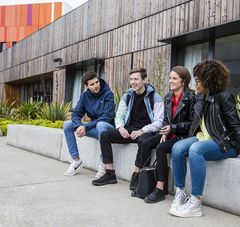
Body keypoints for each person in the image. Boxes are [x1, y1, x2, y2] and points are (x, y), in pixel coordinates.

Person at [169, 59, 240, 218]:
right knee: (178, 148)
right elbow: (195, 124)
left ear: (209, 80)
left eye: (199, 80)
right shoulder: (200, 96)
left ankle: (196, 201)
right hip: (204, 138)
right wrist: (186, 140)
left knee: (196, 150)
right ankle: (180, 193)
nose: (196, 83)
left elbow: (235, 125)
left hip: (224, 143)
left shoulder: (224, 97)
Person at [130, 66, 195, 202]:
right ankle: (142, 181)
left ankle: (160, 188)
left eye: (174, 78)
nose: (170, 81)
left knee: (160, 148)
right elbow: (166, 119)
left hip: (183, 136)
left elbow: (192, 124)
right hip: (170, 133)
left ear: (183, 81)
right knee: (146, 142)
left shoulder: (191, 97)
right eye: (170, 78)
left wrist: (172, 128)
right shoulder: (168, 97)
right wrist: (165, 131)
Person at [92, 67, 164, 186]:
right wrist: (120, 128)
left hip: (146, 131)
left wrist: (142, 130)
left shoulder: (155, 97)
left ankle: (136, 175)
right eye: (131, 79)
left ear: (144, 80)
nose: (133, 82)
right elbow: (119, 116)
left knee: (143, 141)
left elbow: (159, 122)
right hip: (129, 130)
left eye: (136, 79)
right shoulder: (128, 96)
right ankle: (109, 173)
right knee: (105, 135)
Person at [63, 71, 115, 177]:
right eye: (92, 84)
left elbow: (107, 117)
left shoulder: (108, 94)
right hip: (94, 128)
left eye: (97, 82)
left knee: (101, 125)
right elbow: (76, 113)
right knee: (68, 125)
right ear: (87, 86)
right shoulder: (85, 96)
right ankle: (76, 160)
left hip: (108, 129)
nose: (96, 86)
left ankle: (104, 163)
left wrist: (86, 127)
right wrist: (78, 126)